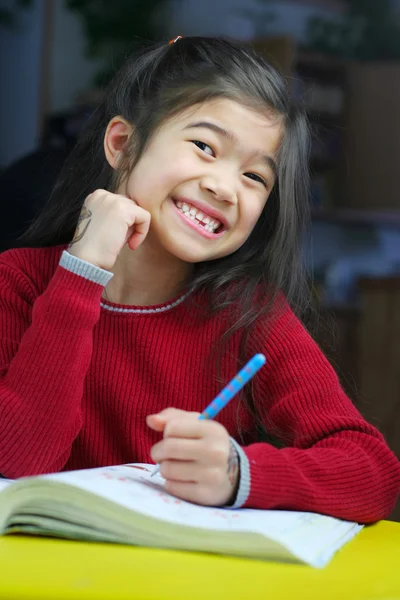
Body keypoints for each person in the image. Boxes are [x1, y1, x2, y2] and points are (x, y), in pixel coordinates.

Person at [0, 37, 398, 522]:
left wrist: (238, 474)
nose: (224, 187)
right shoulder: (17, 281)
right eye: (205, 147)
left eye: (255, 177)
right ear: (122, 144)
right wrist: (82, 270)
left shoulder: (250, 313)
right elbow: (19, 463)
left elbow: (373, 473)